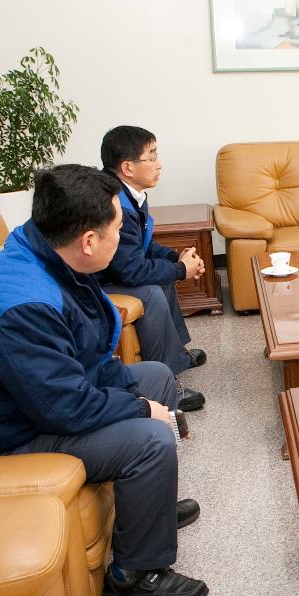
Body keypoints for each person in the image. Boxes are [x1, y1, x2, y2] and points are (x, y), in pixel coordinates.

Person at [0, 164, 209, 596]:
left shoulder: (45, 250)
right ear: (88, 241)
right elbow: (63, 408)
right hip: (2, 435)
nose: (122, 240)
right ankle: (136, 573)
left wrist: (138, 394)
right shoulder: (22, 303)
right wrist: (141, 411)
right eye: (118, 230)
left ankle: (148, 508)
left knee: (156, 375)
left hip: (36, 400)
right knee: (151, 438)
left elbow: (80, 356)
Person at [99, 125, 206, 411]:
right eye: (152, 156)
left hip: (111, 271)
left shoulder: (126, 192)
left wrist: (175, 258)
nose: (159, 164)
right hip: (93, 282)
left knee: (163, 273)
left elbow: (141, 247)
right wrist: (182, 270)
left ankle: (176, 355)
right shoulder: (114, 203)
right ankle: (169, 378)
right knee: (151, 291)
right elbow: (131, 272)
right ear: (128, 167)